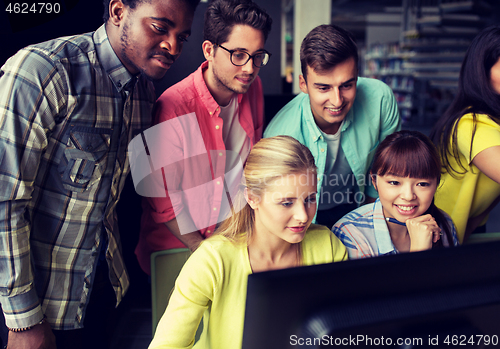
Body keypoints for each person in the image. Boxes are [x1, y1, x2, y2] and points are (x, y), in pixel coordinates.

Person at [0, 0, 199, 348]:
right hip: (34, 311)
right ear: (118, 11)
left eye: (182, 36)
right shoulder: (43, 71)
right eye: (159, 28)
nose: (173, 46)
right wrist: (23, 320)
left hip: (103, 299)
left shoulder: (144, 93)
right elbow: (4, 203)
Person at [148, 135, 347, 349]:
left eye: (310, 199)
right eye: (287, 203)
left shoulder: (328, 246)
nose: (303, 216)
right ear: (252, 198)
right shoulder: (212, 260)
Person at [134, 0, 273, 276]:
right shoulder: (173, 106)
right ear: (209, 50)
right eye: (238, 54)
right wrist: (204, 250)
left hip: (231, 240)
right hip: (178, 250)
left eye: (257, 56)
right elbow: (164, 202)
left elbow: (251, 164)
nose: (249, 68)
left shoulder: (252, 87)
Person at [264, 24, 401, 229]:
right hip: (305, 217)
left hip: (361, 204)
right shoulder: (280, 134)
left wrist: (368, 224)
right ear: (303, 83)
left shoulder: (380, 99)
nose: (337, 101)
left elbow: (388, 168)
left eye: (347, 85)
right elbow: (279, 208)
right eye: (323, 88)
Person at [332, 130, 459, 259]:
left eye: (422, 184)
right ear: (374, 181)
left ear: (436, 184)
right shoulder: (351, 232)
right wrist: (419, 252)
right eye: (394, 182)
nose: (408, 196)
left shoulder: (444, 224)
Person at [430, 25, 500, 244]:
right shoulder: (472, 125)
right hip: (429, 235)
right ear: (483, 71)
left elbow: (482, 208)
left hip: (460, 234)